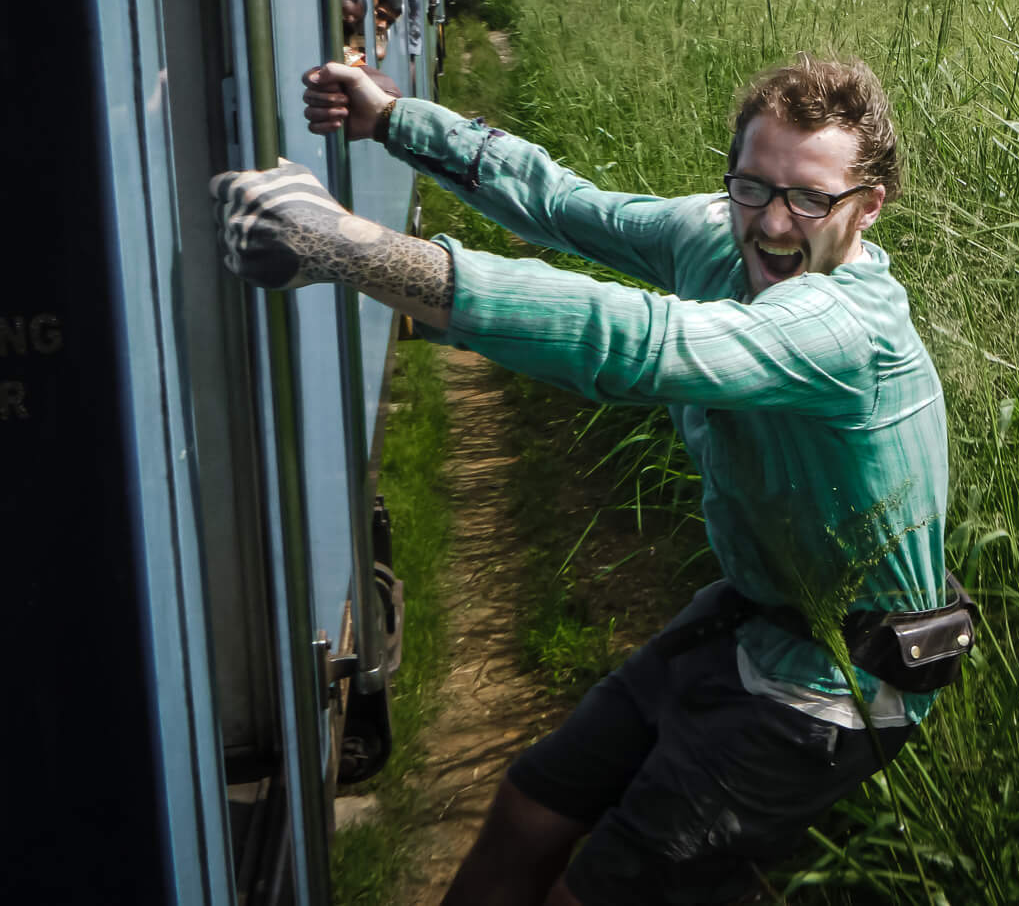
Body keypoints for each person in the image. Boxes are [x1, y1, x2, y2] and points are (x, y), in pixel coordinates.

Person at [210, 55, 958, 906]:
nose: (775, 223)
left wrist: (360, 252)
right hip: (745, 617)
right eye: (754, 185)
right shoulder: (720, 233)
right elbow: (565, 205)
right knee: (527, 813)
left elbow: (649, 343)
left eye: (811, 198)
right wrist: (394, 119)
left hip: (832, 688)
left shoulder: (847, 325)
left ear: (868, 206)